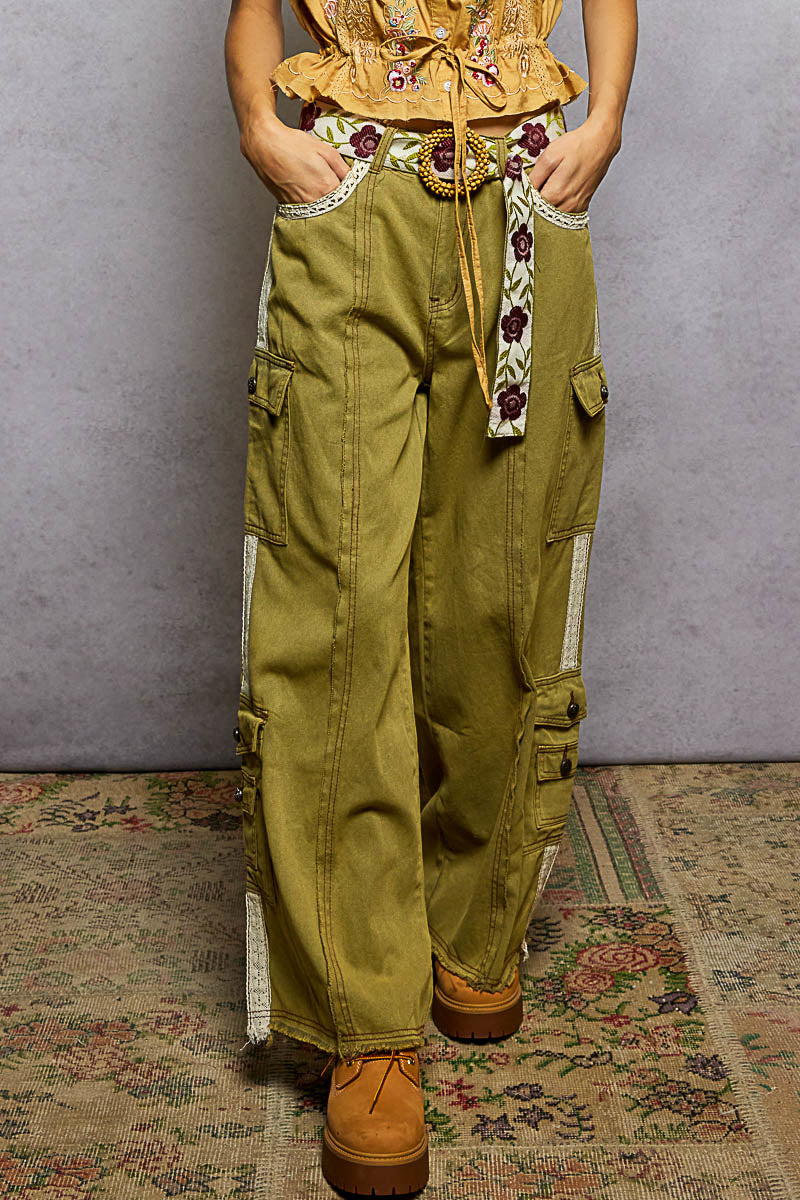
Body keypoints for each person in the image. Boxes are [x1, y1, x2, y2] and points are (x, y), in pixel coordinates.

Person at [224, 0, 636, 1192]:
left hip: (525, 197)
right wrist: (260, 125)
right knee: (334, 612)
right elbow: (250, 10)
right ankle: (363, 1022)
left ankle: (474, 927)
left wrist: (604, 119)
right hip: (351, 202)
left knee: (499, 598)